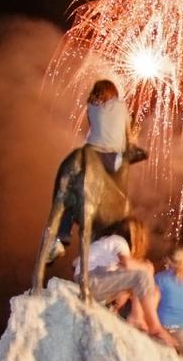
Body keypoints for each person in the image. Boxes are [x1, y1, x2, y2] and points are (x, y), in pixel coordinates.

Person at [47, 79, 134, 261]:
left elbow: (96, 127)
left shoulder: (90, 106)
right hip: (111, 156)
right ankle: (113, 213)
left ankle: (63, 232)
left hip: (90, 150)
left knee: (68, 194)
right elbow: (127, 136)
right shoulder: (121, 106)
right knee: (121, 178)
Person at [72, 217, 179, 349]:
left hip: (95, 283)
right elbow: (128, 264)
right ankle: (153, 325)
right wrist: (146, 267)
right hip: (89, 280)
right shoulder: (119, 241)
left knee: (152, 288)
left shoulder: (109, 248)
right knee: (143, 274)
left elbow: (76, 262)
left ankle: (134, 317)